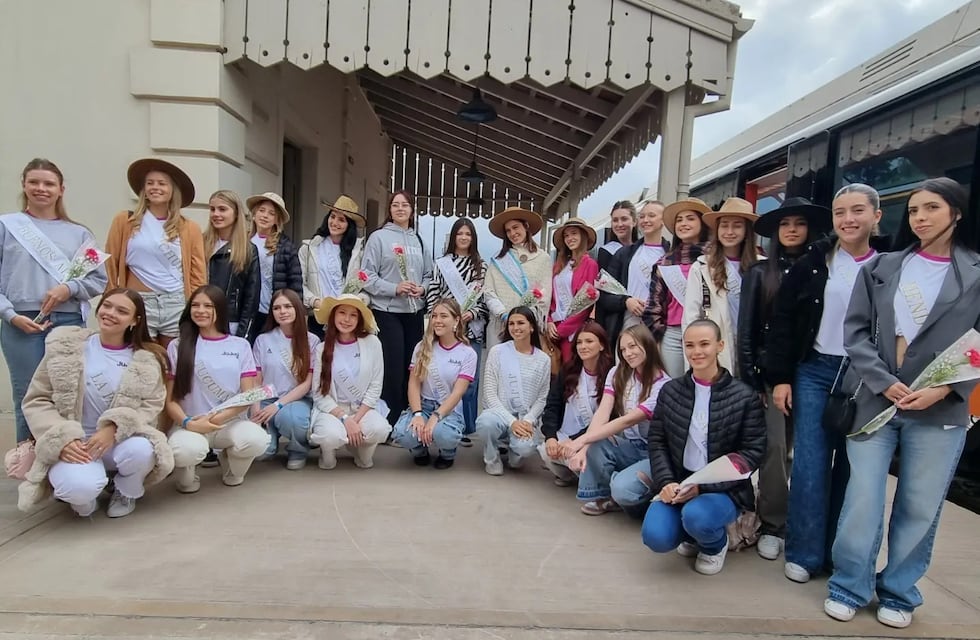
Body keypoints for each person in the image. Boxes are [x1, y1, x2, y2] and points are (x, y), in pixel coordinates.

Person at [824, 178, 980, 629]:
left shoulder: (974, 272)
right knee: (863, 498)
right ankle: (849, 584)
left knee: (919, 504)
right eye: (913, 210)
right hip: (876, 402)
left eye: (931, 208)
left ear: (956, 212)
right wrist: (882, 380)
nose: (920, 218)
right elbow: (855, 332)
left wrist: (949, 389)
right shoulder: (884, 267)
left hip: (940, 409)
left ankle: (899, 591)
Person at [766, 183, 887, 585]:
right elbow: (783, 320)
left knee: (853, 470)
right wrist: (781, 377)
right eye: (840, 213)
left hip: (866, 379)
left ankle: (837, 553)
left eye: (857, 211)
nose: (848, 220)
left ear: (876, 216)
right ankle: (803, 552)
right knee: (810, 465)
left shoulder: (890, 265)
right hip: (815, 370)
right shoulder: (815, 261)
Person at [18, 289, 173, 518]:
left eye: (122, 311)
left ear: (135, 320)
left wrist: (115, 428)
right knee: (79, 489)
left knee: (143, 451)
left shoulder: (148, 359)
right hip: (76, 445)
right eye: (107, 306)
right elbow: (37, 399)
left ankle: (126, 491)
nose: (110, 313)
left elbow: (151, 404)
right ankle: (84, 500)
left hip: (118, 441)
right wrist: (63, 437)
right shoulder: (65, 347)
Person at [737, 197, 830, 561]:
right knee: (774, 450)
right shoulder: (759, 273)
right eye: (785, 224)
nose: (792, 230)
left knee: (805, 451)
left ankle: (805, 524)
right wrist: (753, 381)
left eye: (800, 223)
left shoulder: (824, 269)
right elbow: (747, 332)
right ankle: (774, 522)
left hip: (812, 370)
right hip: (770, 375)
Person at [640, 319, 766, 575]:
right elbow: (657, 440)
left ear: (720, 346)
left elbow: (752, 452)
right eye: (689, 345)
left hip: (724, 490)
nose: (697, 352)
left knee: (698, 516)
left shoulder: (744, 396)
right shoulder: (671, 391)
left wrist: (703, 487)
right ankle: (691, 535)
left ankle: (713, 545)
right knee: (655, 536)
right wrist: (665, 481)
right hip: (678, 483)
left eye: (704, 344)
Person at [0, 158, 108, 444]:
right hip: (21, 322)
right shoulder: (7, 227)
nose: (41, 189)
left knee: (67, 392)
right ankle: (28, 458)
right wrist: (9, 314)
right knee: (28, 395)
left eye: (49, 183)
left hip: (68, 321)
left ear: (61, 189)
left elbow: (99, 280)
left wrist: (69, 288)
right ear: (24, 185)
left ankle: (64, 458)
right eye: (34, 182)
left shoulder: (79, 233)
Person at [165, 285, 269, 492]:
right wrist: (189, 423)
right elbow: (170, 400)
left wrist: (214, 421)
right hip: (190, 423)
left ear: (219, 310)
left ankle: (231, 465)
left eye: (208, 306)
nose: (200, 310)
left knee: (256, 440)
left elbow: (247, 397)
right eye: (195, 305)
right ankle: (187, 477)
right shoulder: (177, 346)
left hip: (229, 423)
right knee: (184, 457)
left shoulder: (240, 345)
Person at [566, 324, 670, 517]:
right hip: (630, 445)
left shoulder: (663, 385)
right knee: (595, 443)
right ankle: (604, 496)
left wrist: (581, 441)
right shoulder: (618, 372)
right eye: (623, 349)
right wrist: (584, 448)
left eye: (633, 346)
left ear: (647, 345)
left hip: (654, 454)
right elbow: (603, 413)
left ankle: (640, 495)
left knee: (623, 490)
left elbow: (626, 421)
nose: (628, 353)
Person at [105, 158, 206, 347]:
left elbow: (197, 273)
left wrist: (196, 304)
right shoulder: (125, 221)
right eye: (150, 183)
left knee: (174, 361)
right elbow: (110, 262)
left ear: (172, 190)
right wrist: (112, 299)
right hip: (139, 300)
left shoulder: (189, 228)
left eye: (162, 183)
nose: (155, 187)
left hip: (175, 300)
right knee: (143, 360)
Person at [361, 190, 432, 425]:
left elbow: (430, 275)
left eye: (405, 205)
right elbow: (365, 276)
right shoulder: (378, 238)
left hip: (414, 312)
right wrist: (394, 288)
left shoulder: (419, 240)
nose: (400, 209)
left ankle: (410, 418)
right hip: (387, 312)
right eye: (395, 205)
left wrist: (422, 288)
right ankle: (388, 421)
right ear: (389, 210)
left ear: (412, 210)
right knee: (393, 367)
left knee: (413, 367)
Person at [390, 298, 476, 469]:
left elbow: (458, 393)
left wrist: (436, 417)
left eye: (444, 316)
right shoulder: (422, 347)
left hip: (449, 409)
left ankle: (447, 453)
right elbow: (413, 384)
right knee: (402, 433)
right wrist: (417, 414)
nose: (437, 320)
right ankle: (419, 451)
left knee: (443, 434)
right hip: (424, 405)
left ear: (456, 320)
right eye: (434, 315)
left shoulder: (468, 353)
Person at [308, 294, 391, 470]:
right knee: (330, 437)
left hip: (362, 409)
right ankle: (328, 453)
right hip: (333, 410)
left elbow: (376, 386)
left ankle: (359, 449)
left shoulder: (372, 343)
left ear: (359, 319)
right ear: (333, 316)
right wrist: (345, 418)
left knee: (379, 430)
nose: (347, 319)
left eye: (353, 315)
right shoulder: (322, 349)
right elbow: (318, 393)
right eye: (342, 313)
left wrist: (356, 419)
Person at [426, 218, 487, 444]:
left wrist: (471, 314)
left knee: (468, 382)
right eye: (460, 233)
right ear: (453, 236)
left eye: (468, 234)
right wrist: (440, 317)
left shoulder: (481, 265)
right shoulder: (441, 263)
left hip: (471, 330)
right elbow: (432, 291)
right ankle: (443, 420)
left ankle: (466, 427)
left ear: (473, 238)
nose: (464, 238)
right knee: (444, 376)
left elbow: (484, 299)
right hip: (445, 330)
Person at [682, 197, 761, 374]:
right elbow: (691, 317)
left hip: (752, 350)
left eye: (737, 225)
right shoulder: (702, 267)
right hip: (716, 350)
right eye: (724, 225)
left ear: (747, 230)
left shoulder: (762, 266)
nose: (730, 231)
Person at [476, 306, 552, 475]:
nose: (515, 327)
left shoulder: (543, 359)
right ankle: (491, 457)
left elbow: (542, 397)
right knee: (485, 423)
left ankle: (514, 453)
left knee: (524, 450)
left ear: (532, 326)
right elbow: (489, 392)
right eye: (511, 323)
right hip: (498, 414)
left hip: (524, 418)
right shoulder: (498, 352)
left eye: (520, 323)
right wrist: (512, 422)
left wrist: (529, 420)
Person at [539, 320, 614, 486]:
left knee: (579, 457)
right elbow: (552, 405)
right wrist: (551, 437)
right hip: (563, 435)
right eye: (579, 342)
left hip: (591, 438)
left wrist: (575, 440)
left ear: (601, 345)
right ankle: (569, 475)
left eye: (589, 341)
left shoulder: (612, 375)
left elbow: (609, 418)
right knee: (546, 452)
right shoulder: (568, 370)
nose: (583, 346)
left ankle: (590, 478)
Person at [250, 289, 319, 470]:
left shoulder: (312, 341)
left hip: (295, 400)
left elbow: (307, 383)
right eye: (277, 308)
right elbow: (256, 380)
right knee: (262, 451)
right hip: (265, 399)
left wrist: (278, 405)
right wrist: (257, 412)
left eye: (288, 306)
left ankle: (297, 451)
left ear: (297, 308)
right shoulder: (263, 340)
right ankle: (270, 437)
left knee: (293, 420)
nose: (282, 311)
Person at [642, 197, 710, 378]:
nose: (684, 224)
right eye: (679, 220)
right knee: (675, 386)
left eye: (690, 218)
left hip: (709, 331)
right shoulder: (665, 262)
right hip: (673, 335)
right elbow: (654, 305)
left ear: (702, 223)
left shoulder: (716, 257)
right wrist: (657, 338)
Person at [597, 200, 668, 348]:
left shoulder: (672, 254)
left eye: (651, 216)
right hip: (630, 321)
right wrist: (626, 301)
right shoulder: (623, 254)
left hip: (662, 324)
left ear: (663, 220)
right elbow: (604, 294)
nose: (646, 220)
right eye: (642, 216)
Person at [483, 207, 553, 352]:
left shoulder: (542, 258)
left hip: (529, 327)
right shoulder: (497, 260)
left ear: (526, 226)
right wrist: (503, 314)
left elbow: (544, 295)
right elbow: (488, 292)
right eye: (508, 231)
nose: (512, 233)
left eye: (516, 227)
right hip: (500, 326)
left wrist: (524, 319)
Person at [298, 195, 366, 338]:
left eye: (341, 220)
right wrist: (314, 301)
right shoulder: (309, 248)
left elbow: (366, 286)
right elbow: (299, 283)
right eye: (333, 216)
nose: (335, 222)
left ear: (350, 225)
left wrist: (357, 301)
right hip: (318, 317)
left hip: (347, 320)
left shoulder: (359, 253)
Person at [246, 192, 303, 342]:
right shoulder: (243, 242)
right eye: (261, 210)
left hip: (274, 311)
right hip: (249, 312)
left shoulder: (286, 247)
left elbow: (295, 283)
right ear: (253, 214)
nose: (265, 216)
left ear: (277, 220)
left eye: (271, 213)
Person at [204, 190, 261, 340]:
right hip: (201, 317)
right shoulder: (201, 242)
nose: (216, 214)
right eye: (212, 209)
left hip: (231, 323)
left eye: (222, 209)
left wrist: (243, 335)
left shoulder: (248, 249)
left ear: (236, 213)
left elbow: (251, 297)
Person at [546, 218, 599, 363]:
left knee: (570, 373)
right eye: (566, 235)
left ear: (583, 236)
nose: (570, 238)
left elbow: (586, 302)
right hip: (554, 328)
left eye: (574, 233)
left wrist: (563, 329)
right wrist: (549, 321)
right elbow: (550, 298)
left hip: (574, 331)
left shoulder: (590, 265)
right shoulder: (559, 265)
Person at [597, 200, 637, 272]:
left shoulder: (641, 249)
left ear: (634, 222)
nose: (620, 224)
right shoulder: (606, 252)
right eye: (615, 220)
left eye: (624, 219)